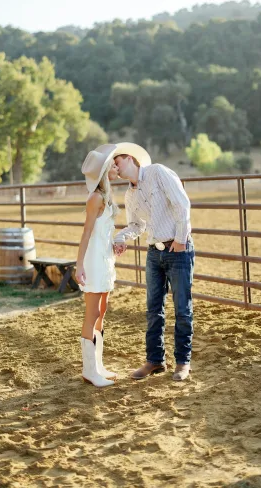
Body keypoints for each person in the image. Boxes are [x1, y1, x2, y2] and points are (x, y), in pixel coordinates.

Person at [113, 144, 194, 382]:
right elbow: (137, 225)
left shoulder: (158, 172)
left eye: (117, 161)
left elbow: (182, 204)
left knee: (182, 309)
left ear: (130, 158)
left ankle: (182, 362)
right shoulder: (129, 194)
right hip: (154, 252)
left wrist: (180, 240)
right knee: (153, 310)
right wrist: (121, 237)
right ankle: (155, 360)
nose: (114, 167)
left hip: (177, 248)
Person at [76, 144, 120, 388]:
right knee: (92, 313)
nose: (116, 166)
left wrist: (115, 246)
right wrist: (79, 264)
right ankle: (88, 371)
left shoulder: (106, 196)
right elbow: (87, 233)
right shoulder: (95, 198)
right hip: (93, 260)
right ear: (104, 170)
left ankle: (98, 366)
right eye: (113, 164)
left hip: (105, 259)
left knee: (101, 312)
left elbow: (104, 233)